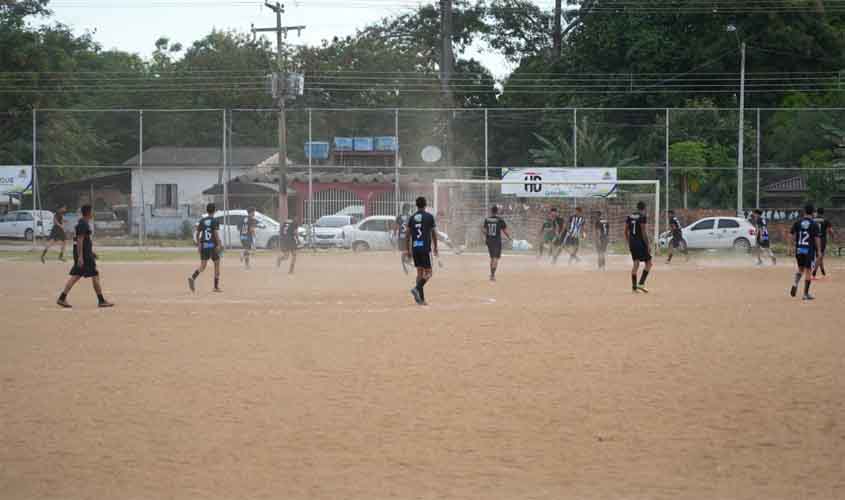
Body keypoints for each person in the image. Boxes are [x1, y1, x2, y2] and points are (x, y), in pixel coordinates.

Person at [56, 205, 113, 308]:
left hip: (85, 254)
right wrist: (81, 257)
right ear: (88, 213)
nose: (93, 213)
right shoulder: (83, 224)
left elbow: (85, 241)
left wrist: (91, 252)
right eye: (92, 211)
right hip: (84, 256)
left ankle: (62, 298)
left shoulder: (82, 223)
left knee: (76, 275)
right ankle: (101, 301)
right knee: (94, 274)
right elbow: (79, 241)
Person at [404, 196, 438, 305]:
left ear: (416, 205)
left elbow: (407, 234)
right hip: (425, 248)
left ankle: (421, 299)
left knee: (419, 272)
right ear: (425, 205)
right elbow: (433, 233)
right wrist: (436, 247)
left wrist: (407, 249)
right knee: (429, 273)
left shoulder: (412, 218)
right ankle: (417, 288)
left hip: (415, 248)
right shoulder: (429, 217)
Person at [188, 203, 222, 293]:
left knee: (202, 266)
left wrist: (199, 244)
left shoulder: (202, 221)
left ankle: (193, 277)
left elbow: (197, 234)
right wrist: (219, 244)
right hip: (212, 246)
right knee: (217, 264)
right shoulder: (215, 221)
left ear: (207, 210)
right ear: (214, 211)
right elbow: (215, 233)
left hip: (204, 246)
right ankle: (216, 287)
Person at [789, 204, 821, 300]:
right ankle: (805, 294)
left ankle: (795, 283)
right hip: (809, 250)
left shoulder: (797, 222)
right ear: (813, 212)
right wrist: (819, 251)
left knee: (800, 269)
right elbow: (817, 238)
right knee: (808, 271)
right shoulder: (814, 224)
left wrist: (790, 247)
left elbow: (791, 235)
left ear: (804, 211)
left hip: (799, 249)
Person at [625, 201, 652, 293]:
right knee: (649, 263)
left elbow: (625, 231)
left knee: (636, 264)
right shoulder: (642, 216)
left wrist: (629, 242)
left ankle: (634, 287)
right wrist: (648, 245)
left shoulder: (629, 216)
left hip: (632, 243)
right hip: (640, 243)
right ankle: (641, 283)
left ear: (637, 207)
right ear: (644, 208)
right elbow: (643, 232)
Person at [481, 205, 511, 281]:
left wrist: (487, 235)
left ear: (491, 211)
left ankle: (491, 274)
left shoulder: (487, 219)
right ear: (497, 211)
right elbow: (505, 231)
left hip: (489, 241)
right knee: (495, 258)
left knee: (492, 257)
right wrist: (509, 237)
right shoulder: (500, 220)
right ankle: (492, 275)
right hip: (496, 241)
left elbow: (484, 230)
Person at [813, 207, 834, 278]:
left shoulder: (813, 220)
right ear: (823, 213)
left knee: (819, 257)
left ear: (817, 212)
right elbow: (831, 231)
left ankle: (823, 272)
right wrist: (833, 236)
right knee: (820, 256)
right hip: (822, 240)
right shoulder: (826, 220)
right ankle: (814, 272)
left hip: (814, 239)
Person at [394, 204, 412, 274]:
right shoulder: (410, 217)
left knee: (404, 251)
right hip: (408, 237)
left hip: (401, 237)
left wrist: (394, 234)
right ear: (407, 209)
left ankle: (405, 264)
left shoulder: (399, 217)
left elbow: (396, 227)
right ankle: (408, 260)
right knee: (410, 250)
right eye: (409, 209)